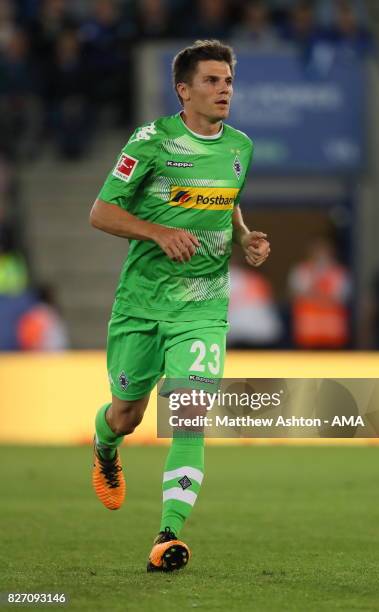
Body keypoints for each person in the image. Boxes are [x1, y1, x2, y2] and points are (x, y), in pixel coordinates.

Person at [89, 39, 270, 572]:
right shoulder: (150, 142)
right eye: (211, 82)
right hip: (142, 303)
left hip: (203, 307)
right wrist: (157, 232)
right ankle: (104, 447)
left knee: (189, 413)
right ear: (183, 90)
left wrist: (243, 238)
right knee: (127, 415)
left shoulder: (240, 147)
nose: (223, 91)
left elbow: (227, 199)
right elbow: (100, 212)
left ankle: (167, 535)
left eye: (228, 82)